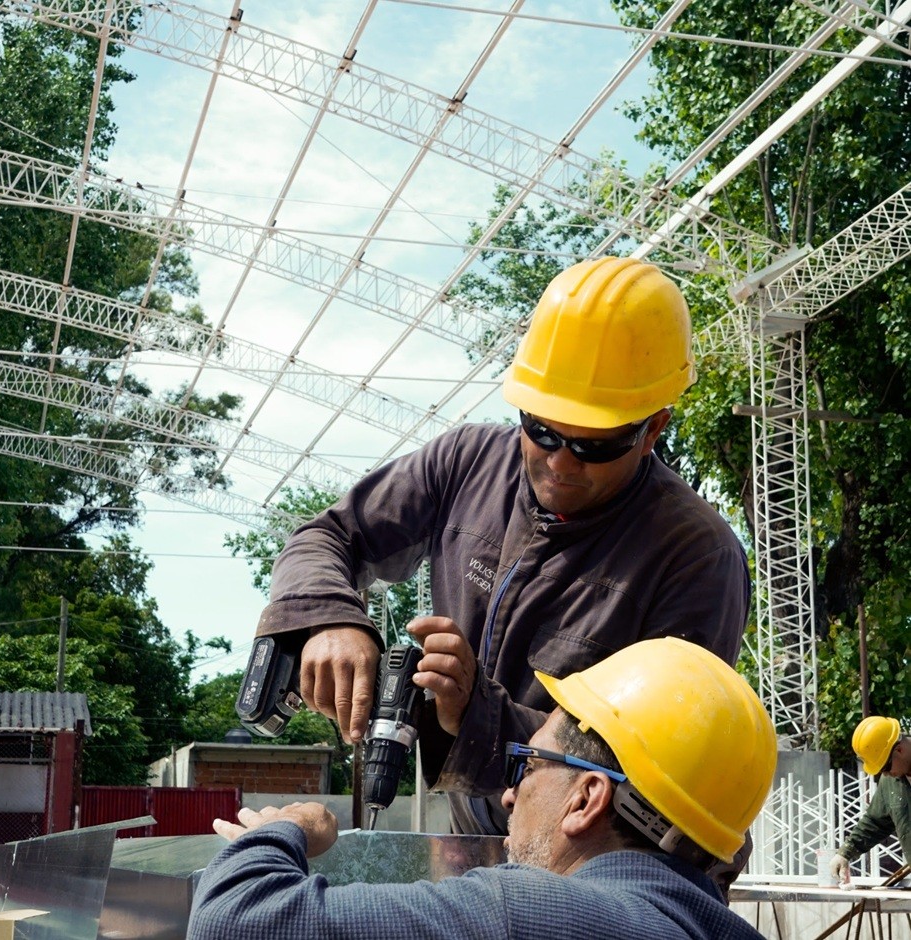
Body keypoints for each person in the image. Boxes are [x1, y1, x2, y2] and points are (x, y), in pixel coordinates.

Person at [255, 256, 751, 834]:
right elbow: (328, 536)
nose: (561, 462)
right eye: (541, 430)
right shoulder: (466, 463)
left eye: (595, 447)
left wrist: (477, 713)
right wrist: (332, 618)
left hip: (591, 876)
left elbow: (653, 778)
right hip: (477, 840)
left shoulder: (695, 556)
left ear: (653, 430)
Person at [190, 638, 776, 940]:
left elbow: (236, 921)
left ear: (587, 799)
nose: (509, 796)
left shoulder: (528, 914)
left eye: (528, 763)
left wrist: (280, 833)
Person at [830, 716, 911, 884]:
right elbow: (875, 822)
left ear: (900, 750)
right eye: (880, 770)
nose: (885, 774)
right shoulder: (891, 782)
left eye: (886, 767)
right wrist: (845, 853)